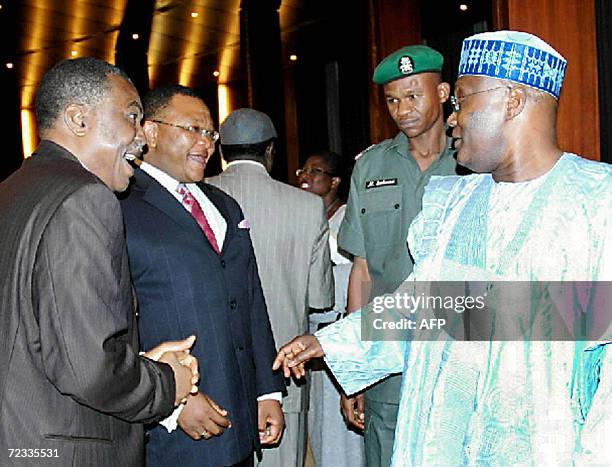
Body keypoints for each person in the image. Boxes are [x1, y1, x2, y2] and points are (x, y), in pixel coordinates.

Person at [273, 31, 612, 465]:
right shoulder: (453, 203)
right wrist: (334, 342)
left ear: (512, 100)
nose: (454, 118)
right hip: (443, 444)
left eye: (464, 99)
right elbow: (432, 308)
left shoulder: (596, 200)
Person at [0, 57, 199, 466]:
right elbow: (86, 368)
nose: (143, 136)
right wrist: (167, 383)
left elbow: (43, 340)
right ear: (78, 118)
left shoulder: (13, 190)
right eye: (131, 116)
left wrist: (137, 364)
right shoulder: (85, 199)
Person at [120, 87, 286, 467]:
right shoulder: (120, 205)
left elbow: (250, 301)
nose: (206, 143)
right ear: (150, 132)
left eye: (211, 134)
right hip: (174, 433)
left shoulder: (225, 205)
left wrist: (266, 393)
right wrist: (171, 404)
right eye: (193, 129)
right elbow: (112, 327)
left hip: (240, 420)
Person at [336, 44, 460, 466]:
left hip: (458, 352)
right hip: (390, 358)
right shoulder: (370, 168)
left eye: (413, 95)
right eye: (392, 99)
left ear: (443, 93)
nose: (402, 109)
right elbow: (364, 272)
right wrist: (355, 370)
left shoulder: (473, 163)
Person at [207, 108, 334, 467]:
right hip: (284, 371)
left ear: (221, 151)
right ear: (271, 150)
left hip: (213, 378)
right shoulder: (308, 207)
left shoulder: (196, 199)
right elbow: (321, 299)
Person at [297, 150, 365, 467]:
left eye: (316, 171)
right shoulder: (299, 213)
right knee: (318, 428)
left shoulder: (349, 217)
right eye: (303, 170)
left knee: (342, 437)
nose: (306, 177)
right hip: (311, 336)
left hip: (341, 332)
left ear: (335, 181)